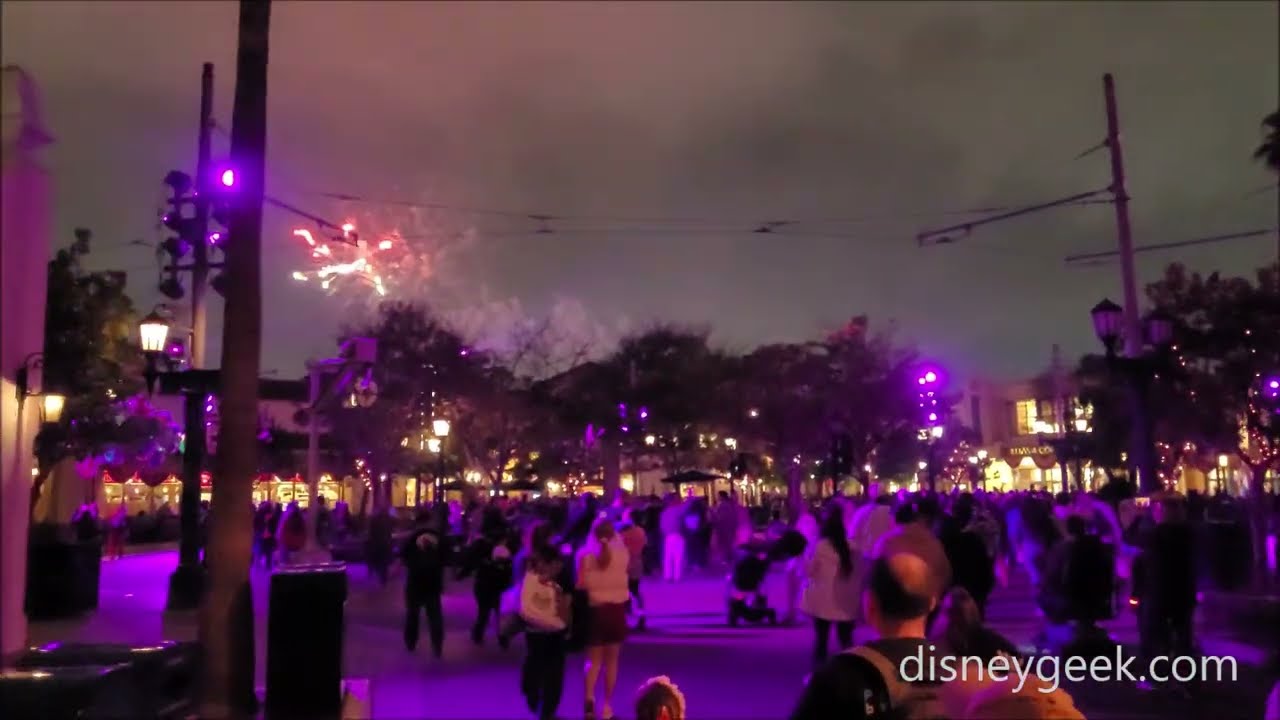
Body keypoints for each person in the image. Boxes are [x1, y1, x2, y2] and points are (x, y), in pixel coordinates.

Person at [578, 517, 631, 720]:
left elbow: (581, 584)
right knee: (612, 662)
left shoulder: (585, 555)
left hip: (595, 611)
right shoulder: (622, 554)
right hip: (616, 610)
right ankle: (607, 707)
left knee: (593, 661)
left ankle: (589, 699)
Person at [802, 507, 860, 667]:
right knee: (846, 639)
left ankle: (820, 670)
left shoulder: (820, 547)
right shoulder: (853, 547)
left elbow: (809, 571)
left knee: (821, 638)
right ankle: (850, 668)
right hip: (846, 599)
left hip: (823, 598)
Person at [520, 545, 571, 720]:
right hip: (536, 635)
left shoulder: (561, 583)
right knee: (533, 674)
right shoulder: (530, 579)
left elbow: (566, 613)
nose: (540, 566)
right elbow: (526, 609)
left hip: (554, 636)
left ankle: (547, 712)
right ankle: (538, 704)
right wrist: (555, 624)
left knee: (554, 676)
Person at [401, 514, 446, 658]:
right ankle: (437, 644)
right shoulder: (439, 537)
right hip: (433, 582)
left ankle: (411, 641)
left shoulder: (412, 538)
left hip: (415, 582)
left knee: (412, 614)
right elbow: (446, 558)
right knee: (434, 615)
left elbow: (404, 557)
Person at [620, 509, 649, 630]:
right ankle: (641, 615)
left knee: (624, 592)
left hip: (625, 565)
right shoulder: (641, 531)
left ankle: (626, 618)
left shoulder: (624, 533)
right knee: (635, 591)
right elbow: (645, 546)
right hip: (637, 563)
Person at [660, 495, 686, 582]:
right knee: (678, 556)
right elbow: (685, 508)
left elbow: (662, 526)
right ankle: (677, 576)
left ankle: (668, 576)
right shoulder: (676, 510)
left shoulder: (664, 512)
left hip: (667, 536)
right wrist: (690, 498)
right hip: (676, 534)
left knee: (668, 557)